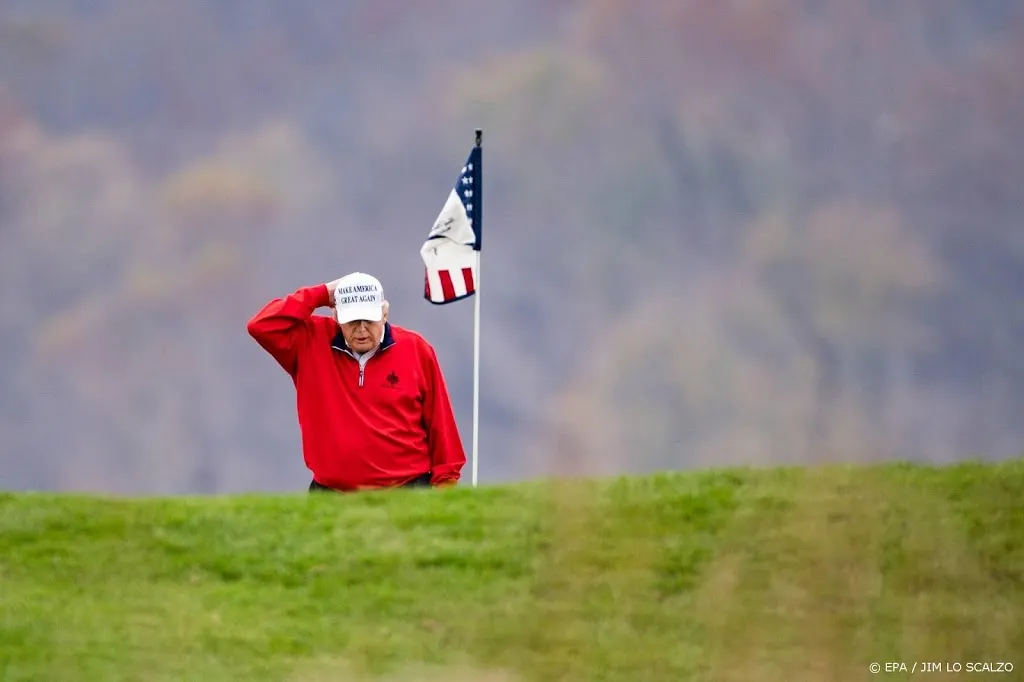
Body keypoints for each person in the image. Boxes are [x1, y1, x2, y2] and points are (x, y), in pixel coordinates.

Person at [246, 272, 467, 492]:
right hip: (331, 492)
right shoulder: (309, 342)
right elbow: (261, 325)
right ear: (336, 316)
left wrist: (445, 483)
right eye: (352, 321)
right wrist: (320, 294)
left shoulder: (416, 349)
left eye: (369, 320)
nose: (361, 329)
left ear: (384, 313)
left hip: (407, 489)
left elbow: (441, 422)